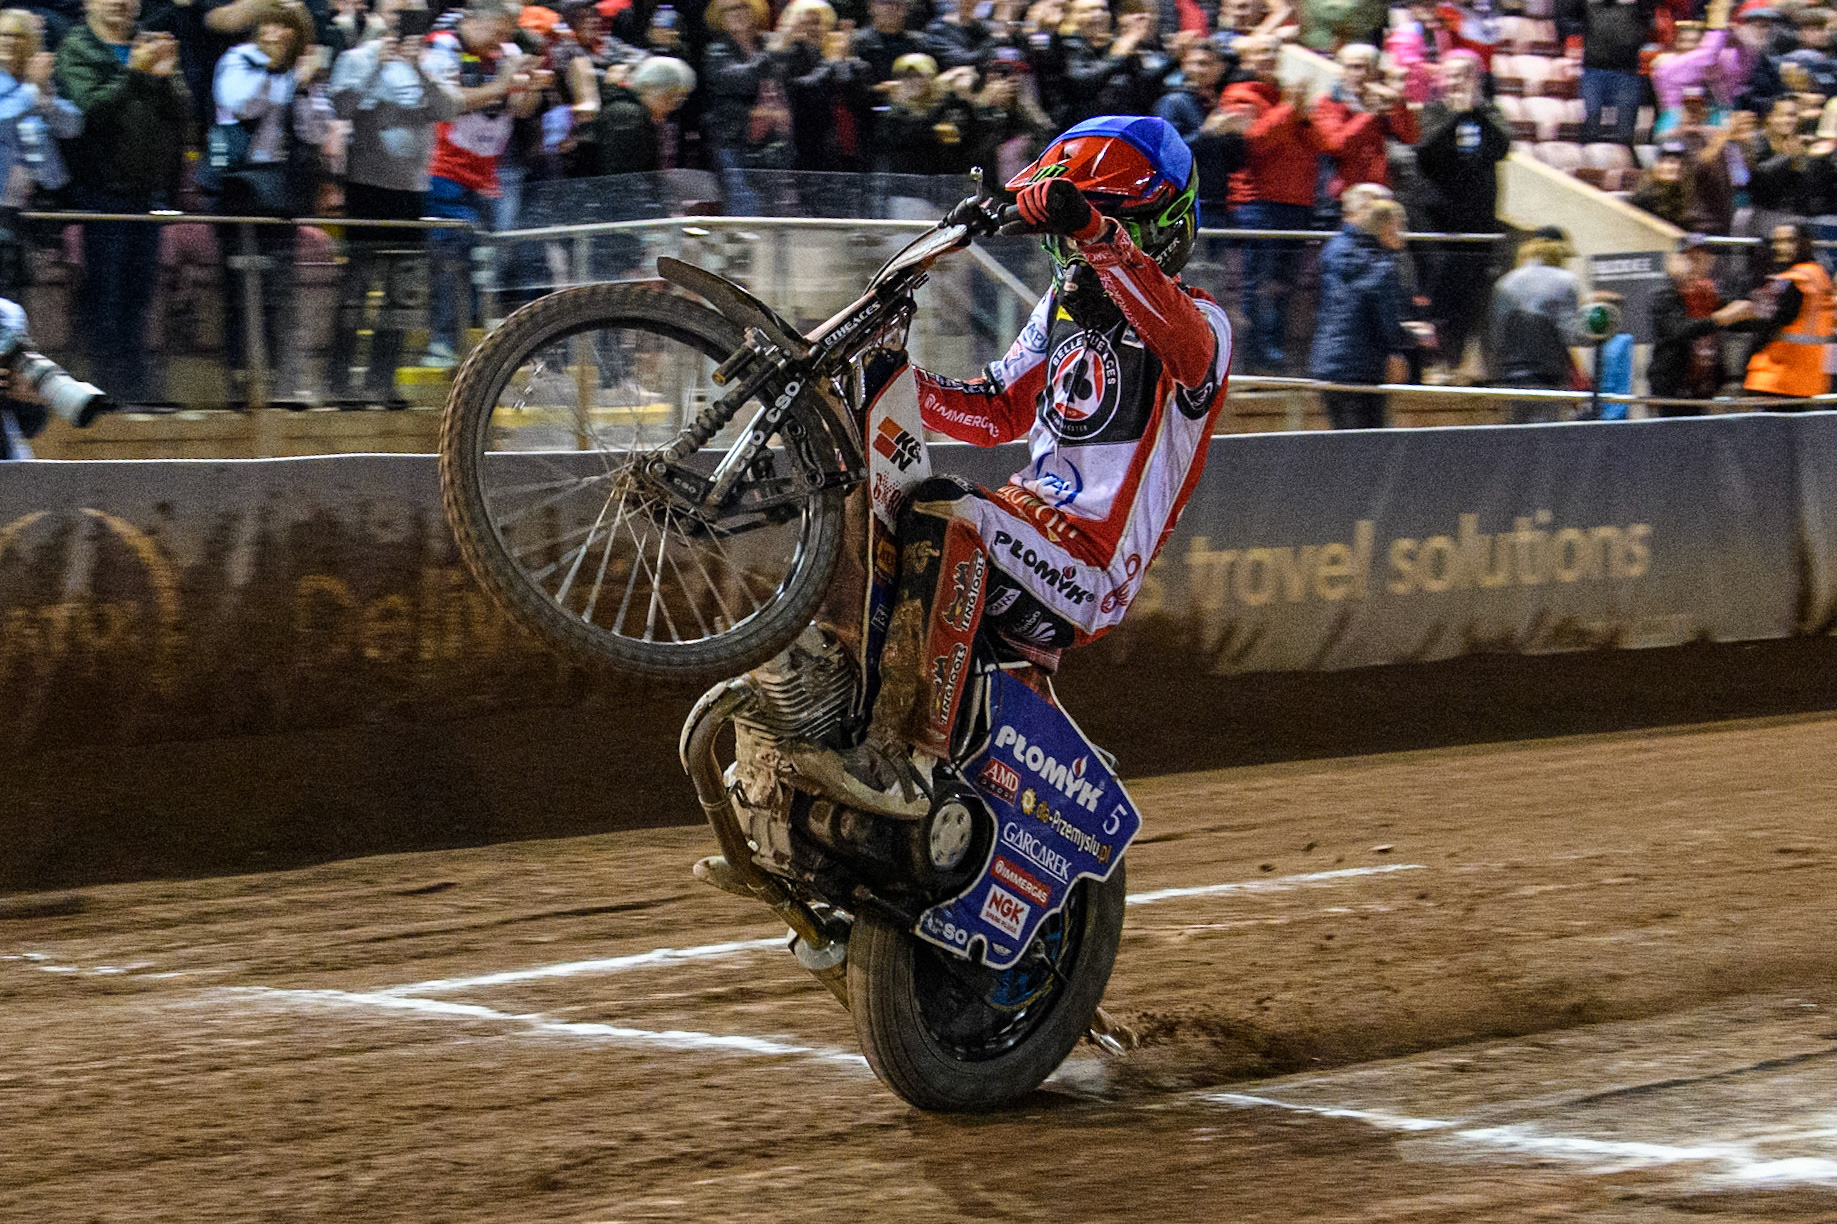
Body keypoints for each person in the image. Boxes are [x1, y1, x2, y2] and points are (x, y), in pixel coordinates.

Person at [793, 114, 1231, 812]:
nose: (1078, 248)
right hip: (1023, 526)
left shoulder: (1202, 324)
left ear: (1164, 228)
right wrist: (891, 382)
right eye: (1071, 231)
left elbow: (1187, 350)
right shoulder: (1059, 307)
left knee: (946, 507)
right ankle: (818, 702)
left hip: (1090, 567)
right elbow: (996, 407)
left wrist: (1096, 234)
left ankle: (905, 763)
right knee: (869, 494)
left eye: (1109, 224)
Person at [324, 0, 461, 404]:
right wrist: (376, 67)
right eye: (398, 14)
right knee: (358, 288)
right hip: (367, 187)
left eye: (411, 15)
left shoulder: (434, 60)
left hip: (412, 192)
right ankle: (339, 382)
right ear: (383, 16)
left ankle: (382, 382)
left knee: (401, 293)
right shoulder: (357, 57)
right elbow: (342, 106)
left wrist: (417, 67)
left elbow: (451, 108)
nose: (403, 22)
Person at [55, 0, 188, 402]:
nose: (120, 3)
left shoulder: (150, 43)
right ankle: (105, 393)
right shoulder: (78, 48)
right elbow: (90, 110)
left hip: (146, 195)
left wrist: (163, 75)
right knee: (106, 299)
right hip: (101, 192)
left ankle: (137, 393)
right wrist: (133, 72)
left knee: (139, 300)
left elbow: (183, 111)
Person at [210, 0, 329, 398]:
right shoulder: (237, 60)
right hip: (239, 190)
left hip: (281, 192)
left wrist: (306, 85)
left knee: (279, 290)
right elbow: (241, 104)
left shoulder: (303, 71)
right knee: (241, 290)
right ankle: (240, 384)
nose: (276, 34)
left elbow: (315, 132)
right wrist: (278, 72)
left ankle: (281, 384)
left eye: (286, 27)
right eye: (270, 25)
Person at [419, 0, 543, 368]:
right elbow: (445, 104)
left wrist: (530, 89)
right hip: (441, 169)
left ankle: (470, 348)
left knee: (485, 260)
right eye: (499, 30)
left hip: (486, 173)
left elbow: (520, 109)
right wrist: (501, 84)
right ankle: (441, 343)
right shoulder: (442, 45)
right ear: (473, 20)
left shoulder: (508, 51)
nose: (505, 39)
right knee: (450, 256)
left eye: (509, 32)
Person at [1221, 34, 1322, 373]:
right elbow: (1257, 141)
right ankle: (1252, 356)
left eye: (1275, 52)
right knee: (1254, 283)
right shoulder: (1240, 95)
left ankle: (1275, 351)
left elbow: (1320, 143)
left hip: (1298, 202)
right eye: (1261, 51)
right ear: (1248, 58)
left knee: (1284, 282)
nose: (1269, 57)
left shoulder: (1290, 96)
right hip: (1259, 203)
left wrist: (1302, 113)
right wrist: (1290, 108)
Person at [1414, 51, 1507, 381]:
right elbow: (1426, 153)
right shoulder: (1434, 111)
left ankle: (1458, 362)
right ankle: (1434, 362)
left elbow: (1501, 147)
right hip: (1440, 223)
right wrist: (1456, 117)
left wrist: (1475, 114)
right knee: (1440, 294)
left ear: (1476, 80)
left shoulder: (1488, 111)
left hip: (1478, 222)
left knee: (1471, 296)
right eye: (1450, 75)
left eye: (1463, 76)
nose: (1456, 82)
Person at [1309, 196, 1410, 428]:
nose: (1403, 233)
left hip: (1327, 364)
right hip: (1361, 369)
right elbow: (1387, 324)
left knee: (1344, 442)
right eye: (1399, 225)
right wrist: (1410, 339)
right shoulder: (1381, 266)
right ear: (1384, 226)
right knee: (1369, 447)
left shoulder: (1334, 250)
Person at [0, 10, 80, 296]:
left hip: (33, 204)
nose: (8, 41)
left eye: (17, 35)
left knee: (19, 294)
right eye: (3, 34)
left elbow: (72, 126)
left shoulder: (35, 82)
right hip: (2, 207)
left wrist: (46, 99)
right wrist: (32, 93)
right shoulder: (24, 87)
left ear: (32, 42)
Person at [1486, 225, 1585, 423]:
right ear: (1559, 252)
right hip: (1549, 378)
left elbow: (1496, 338)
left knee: (1516, 443)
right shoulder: (1566, 281)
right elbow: (1571, 335)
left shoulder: (1505, 283)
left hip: (1510, 378)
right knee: (1547, 444)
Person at [1647, 233, 1750, 410]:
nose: (1698, 263)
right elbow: (1678, 330)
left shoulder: (1709, 293)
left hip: (1703, 388)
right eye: (1691, 258)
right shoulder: (1666, 292)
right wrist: (1719, 318)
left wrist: (1746, 309)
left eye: (1704, 258)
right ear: (1677, 261)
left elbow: (1739, 321)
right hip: (1673, 389)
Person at [1736, 221, 1833, 404]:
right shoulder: (1820, 276)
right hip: (1806, 382)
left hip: (1774, 378)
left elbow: (1771, 322)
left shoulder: (1794, 279)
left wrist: (1744, 366)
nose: (1780, 247)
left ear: (1805, 243)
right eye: (1777, 241)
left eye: (1789, 241)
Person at [1311, 42, 1416, 200]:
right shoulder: (1329, 102)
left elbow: (1410, 137)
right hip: (1343, 196)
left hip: (1379, 192)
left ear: (1376, 72)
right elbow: (1336, 144)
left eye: (1366, 68)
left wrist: (1399, 103)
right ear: (1342, 71)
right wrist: (1369, 114)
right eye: (1352, 67)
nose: (1359, 74)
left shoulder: (1384, 101)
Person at [1557, 0, 1656, 148]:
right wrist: (1578, 31)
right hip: (1593, 68)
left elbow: (1650, 14)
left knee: (1624, 132)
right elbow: (1566, 17)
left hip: (1627, 71)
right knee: (1590, 123)